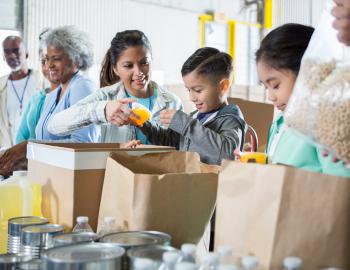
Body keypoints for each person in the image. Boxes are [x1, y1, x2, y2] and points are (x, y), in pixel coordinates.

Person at [47, 30, 183, 144]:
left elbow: (180, 148)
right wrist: (103, 110)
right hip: (117, 174)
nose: (139, 72)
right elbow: (54, 125)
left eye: (144, 63)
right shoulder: (105, 97)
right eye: (128, 66)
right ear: (116, 69)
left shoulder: (172, 102)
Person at [255, 23, 350, 177]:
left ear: (304, 72)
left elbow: (340, 187)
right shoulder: (279, 124)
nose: (270, 97)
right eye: (266, 87)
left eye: (275, 85)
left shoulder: (325, 125)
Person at [128, 47, 246, 165]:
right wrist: (144, 125)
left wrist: (186, 124)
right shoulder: (195, 117)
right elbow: (168, 141)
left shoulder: (231, 120)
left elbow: (228, 153)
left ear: (223, 86)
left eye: (198, 90)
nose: (192, 98)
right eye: (188, 90)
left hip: (213, 182)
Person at [35, 25, 99, 142]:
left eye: (56, 58)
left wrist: (32, 146)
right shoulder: (53, 95)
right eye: (47, 58)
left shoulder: (82, 87)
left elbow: (83, 142)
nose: (49, 65)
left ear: (76, 59)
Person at [0, 36, 45, 149]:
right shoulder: (1, 85)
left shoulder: (42, 80)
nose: (12, 56)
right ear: (3, 56)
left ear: (26, 53)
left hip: (37, 149)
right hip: (9, 152)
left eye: (16, 51)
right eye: (7, 52)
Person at [16, 29, 60, 143]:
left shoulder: (69, 95)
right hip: (28, 159)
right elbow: (20, 137)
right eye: (43, 61)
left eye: (55, 59)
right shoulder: (36, 99)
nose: (48, 66)